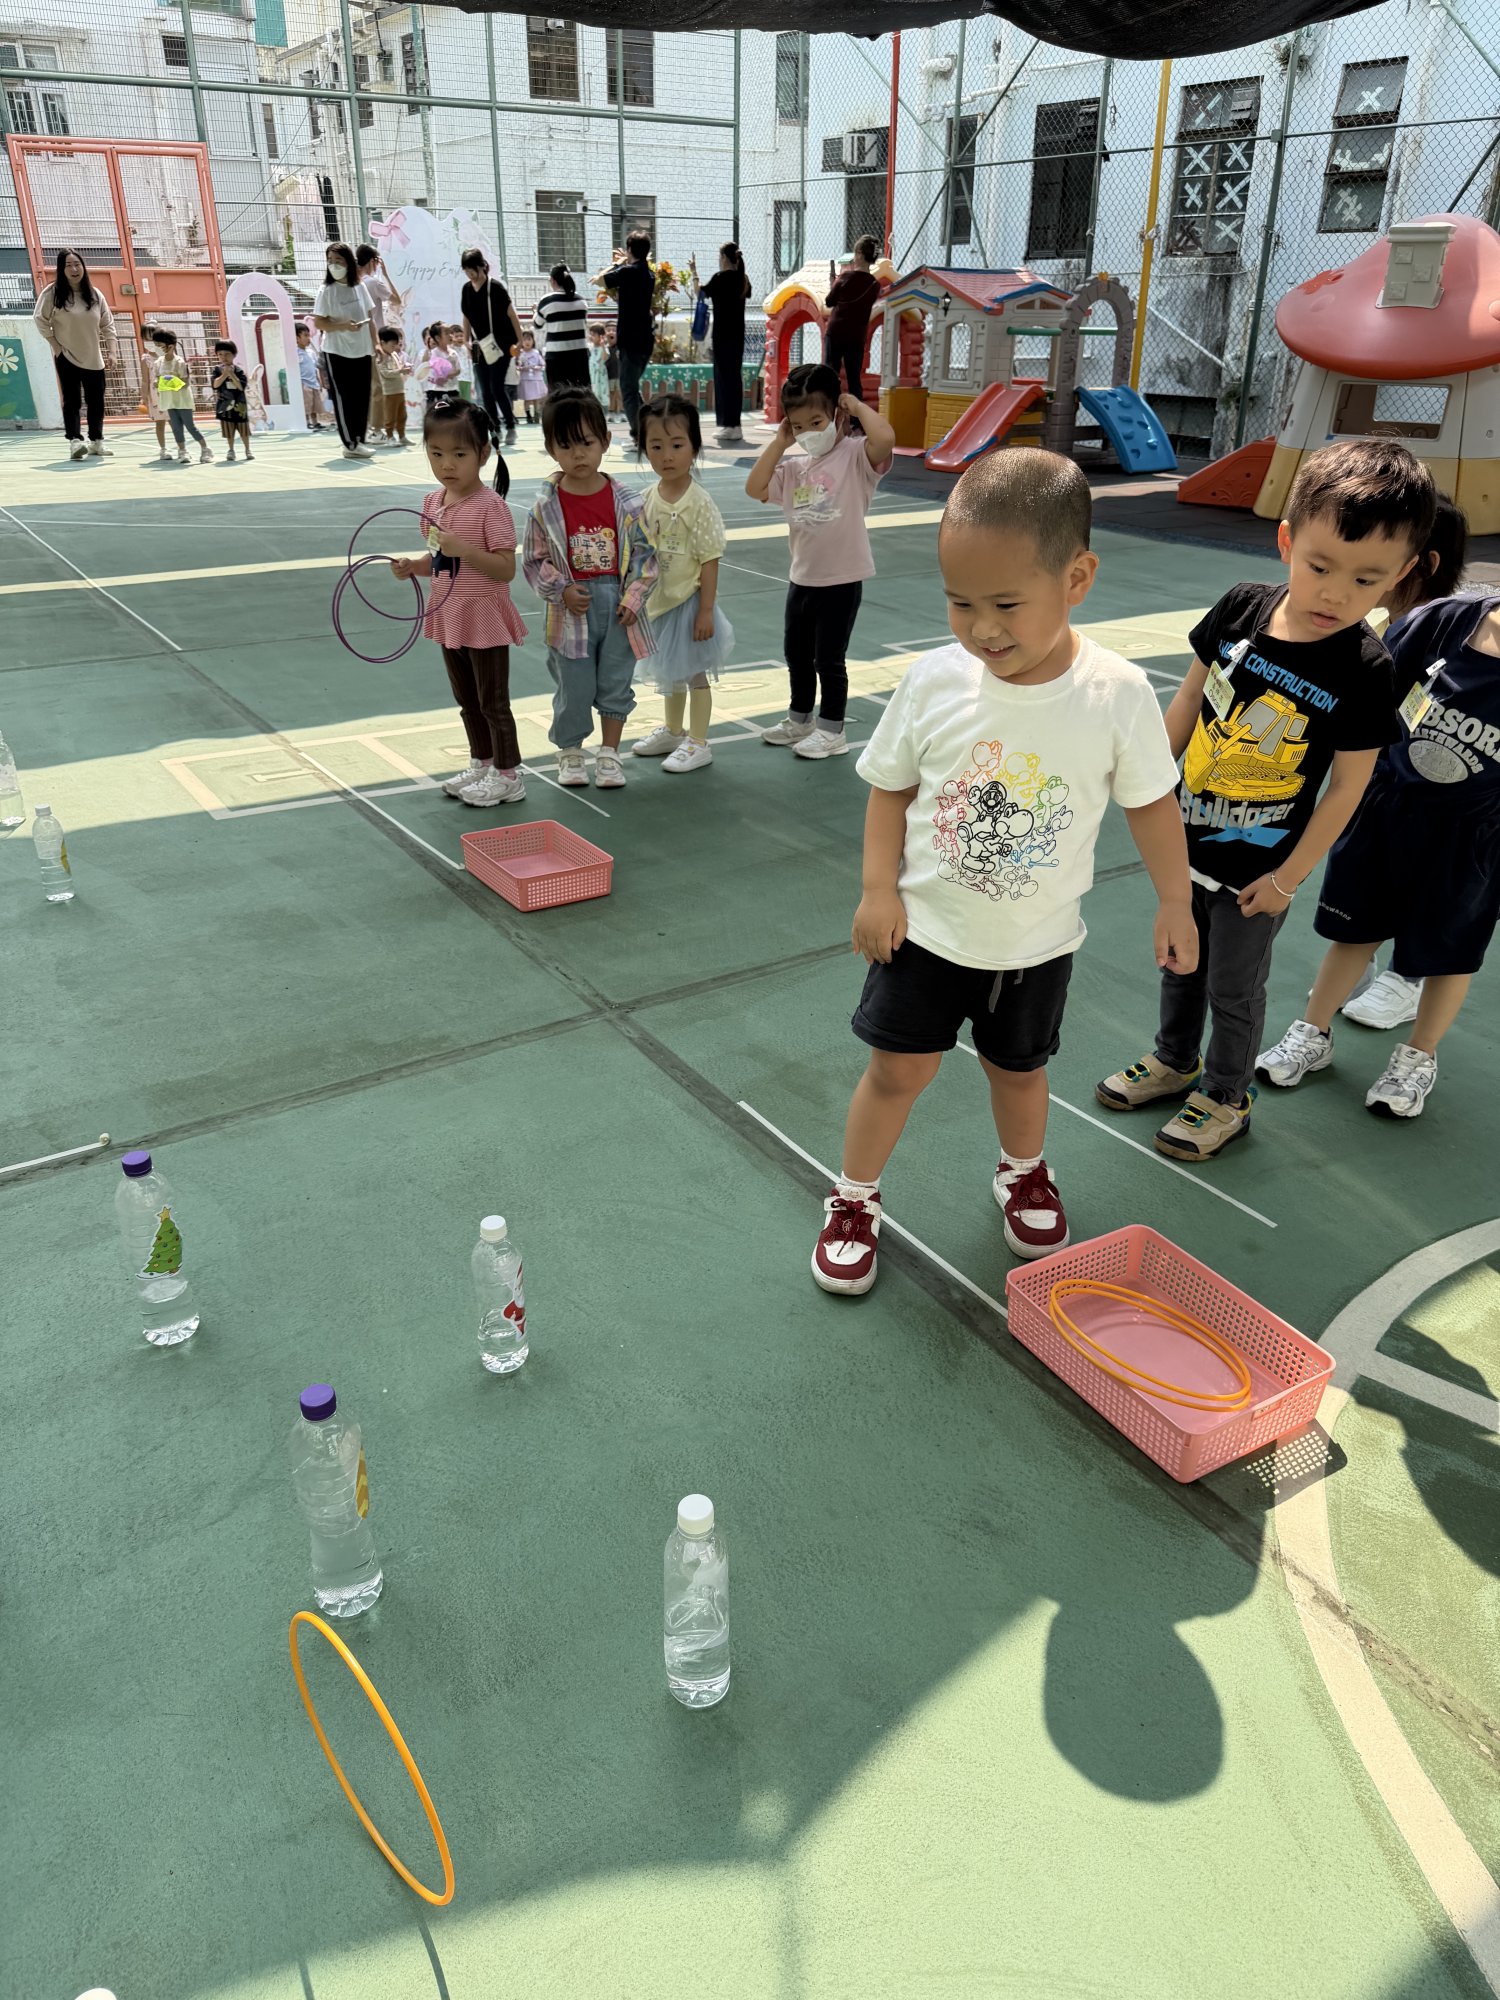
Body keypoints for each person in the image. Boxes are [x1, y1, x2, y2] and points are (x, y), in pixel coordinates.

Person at [810, 450, 1195, 1292]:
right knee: (897, 1071)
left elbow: (1152, 802)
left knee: (1019, 1071)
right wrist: (877, 889)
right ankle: (854, 1196)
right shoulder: (933, 682)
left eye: (1006, 604)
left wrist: (1176, 899)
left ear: (1077, 578)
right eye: (960, 602)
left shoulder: (1117, 692)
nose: (981, 628)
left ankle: (1022, 1170)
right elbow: (889, 789)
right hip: (926, 933)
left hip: (1036, 943)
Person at [1096, 437, 1437, 1161]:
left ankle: (1226, 1097)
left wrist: (1287, 879)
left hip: (1258, 873)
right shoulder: (1241, 609)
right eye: (1320, 566)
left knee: (1233, 986)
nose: (1336, 593)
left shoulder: (1366, 669)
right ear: (1287, 542)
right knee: (1179, 961)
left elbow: (1348, 787)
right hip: (1185, 842)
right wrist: (1145, 784)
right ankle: (1174, 1060)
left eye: (1366, 579)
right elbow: (1190, 700)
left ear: (1402, 574)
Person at [1253, 503, 1493, 1121]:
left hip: (1472, 839)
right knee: (1353, 932)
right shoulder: (1444, 622)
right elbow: (1372, 697)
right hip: (1388, 812)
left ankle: (1417, 1057)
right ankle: (1312, 1033)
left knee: (1447, 954)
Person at [1333, 494, 1469, 1032]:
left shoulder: (1455, 637)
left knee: (1430, 889)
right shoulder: (1385, 626)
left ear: (1422, 564)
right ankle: (1360, 959)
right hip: (1383, 791)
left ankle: (1408, 976)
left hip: (1443, 804)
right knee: (1366, 876)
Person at [745, 360, 896, 761]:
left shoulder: (856, 456)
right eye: (798, 426)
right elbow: (755, 487)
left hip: (841, 579)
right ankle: (800, 719)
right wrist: (780, 443)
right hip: (802, 577)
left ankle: (832, 730)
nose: (808, 433)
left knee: (829, 659)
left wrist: (857, 406)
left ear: (837, 415)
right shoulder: (794, 468)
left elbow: (885, 438)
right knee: (797, 655)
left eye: (816, 422)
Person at [389, 399, 529, 811]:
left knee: (492, 702)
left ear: (483, 454)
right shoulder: (432, 504)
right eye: (436, 454)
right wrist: (414, 567)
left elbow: (505, 569)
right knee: (467, 700)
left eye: (459, 454)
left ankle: (508, 775)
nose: (447, 465)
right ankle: (482, 762)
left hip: (484, 615)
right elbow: (440, 560)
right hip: (450, 614)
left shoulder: (491, 507)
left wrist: (463, 548)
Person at [521, 388, 658, 791]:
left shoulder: (628, 502)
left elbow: (647, 557)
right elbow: (533, 559)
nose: (577, 454)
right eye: (565, 446)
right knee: (573, 684)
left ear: (605, 441)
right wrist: (561, 589)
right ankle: (570, 751)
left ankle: (610, 754)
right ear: (551, 449)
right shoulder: (544, 507)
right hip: (570, 611)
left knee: (616, 681)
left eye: (586, 443)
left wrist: (634, 597)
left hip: (618, 607)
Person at [630, 395, 734, 775]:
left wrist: (706, 610)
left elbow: (710, 559)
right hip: (659, 603)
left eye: (677, 445)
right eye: (656, 446)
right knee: (669, 671)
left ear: (694, 447)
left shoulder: (699, 503)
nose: (667, 456)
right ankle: (674, 731)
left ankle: (699, 741)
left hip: (690, 604)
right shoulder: (646, 499)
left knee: (694, 673)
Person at [33, 248, 117, 460]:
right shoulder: (52, 293)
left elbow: (108, 324)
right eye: (68, 265)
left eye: (77, 264)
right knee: (72, 401)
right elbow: (40, 319)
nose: (74, 269)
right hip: (67, 356)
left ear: (83, 267)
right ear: (61, 270)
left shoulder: (95, 294)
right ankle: (75, 442)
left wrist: (112, 352)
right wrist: (56, 346)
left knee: (96, 402)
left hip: (94, 358)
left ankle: (96, 442)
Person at [312, 241, 377, 459]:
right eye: (330, 261)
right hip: (337, 352)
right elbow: (319, 322)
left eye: (338, 260)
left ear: (348, 262)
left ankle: (359, 439)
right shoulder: (326, 291)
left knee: (362, 397)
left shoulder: (359, 287)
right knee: (345, 399)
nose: (334, 265)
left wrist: (375, 344)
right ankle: (350, 443)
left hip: (362, 350)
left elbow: (370, 317)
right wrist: (343, 325)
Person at [690, 241, 751, 446]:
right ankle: (735, 425)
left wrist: (694, 272)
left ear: (724, 257)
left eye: (719, 256)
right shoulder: (743, 279)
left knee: (723, 379)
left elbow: (700, 293)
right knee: (734, 379)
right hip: (738, 336)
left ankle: (729, 425)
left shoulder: (720, 278)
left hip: (723, 336)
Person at [597, 230, 655, 442]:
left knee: (628, 390)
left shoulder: (628, 271)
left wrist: (617, 263)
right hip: (645, 339)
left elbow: (600, 281)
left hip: (630, 340)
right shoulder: (650, 274)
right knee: (632, 387)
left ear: (629, 249)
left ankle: (639, 437)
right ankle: (645, 430)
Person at [459, 248, 520, 446]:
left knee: (496, 387)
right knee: (484, 390)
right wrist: (466, 341)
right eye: (466, 271)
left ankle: (510, 426)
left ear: (481, 266)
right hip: (477, 346)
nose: (470, 274)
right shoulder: (466, 290)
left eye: (472, 270)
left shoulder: (496, 288)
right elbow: (466, 317)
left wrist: (519, 341)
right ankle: (495, 429)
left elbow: (512, 315)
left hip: (500, 344)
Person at [824, 235, 882, 407]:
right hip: (856, 337)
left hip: (836, 333)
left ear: (860, 254)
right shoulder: (875, 285)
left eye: (856, 253)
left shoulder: (845, 277)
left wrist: (833, 284)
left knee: (830, 375)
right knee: (854, 379)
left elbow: (829, 301)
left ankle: (830, 412)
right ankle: (857, 418)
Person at [150, 329, 212, 464]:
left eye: (160, 345)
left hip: (182, 400)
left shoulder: (179, 362)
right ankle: (183, 451)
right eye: (156, 345)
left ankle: (205, 449)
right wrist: (158, 383)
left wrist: (163, 382)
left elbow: (184, 383)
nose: (158, 348)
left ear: (170, 346)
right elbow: (157, 378)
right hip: (169, 400)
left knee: (190, 426)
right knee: (176, 428)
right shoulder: (158, 362)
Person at [533, 265, 591, 391]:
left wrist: (535, 311)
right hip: (580, 356)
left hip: (556, 357)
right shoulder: (582, 301)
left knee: (558, 394)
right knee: (581, 393)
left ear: (552, 280)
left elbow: (537, 324)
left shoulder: (547, 301)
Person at [211, 339, 252, 462]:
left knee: (243, 429)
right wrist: (224, 375)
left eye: (227, 354)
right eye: (220, 354)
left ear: (234, 354)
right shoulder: (217, 370)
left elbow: (241, 386)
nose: (224, 357)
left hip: (239, 406)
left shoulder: (239, 370)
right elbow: (215, 385)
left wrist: (232, 374)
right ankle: (231, 450)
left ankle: (247, 449)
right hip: (225, 406)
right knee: (229, 430)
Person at [374, 327, 411, 445]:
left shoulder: (394, 354)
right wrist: (400, 371)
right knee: (390, 416)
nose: (395, 347)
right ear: (382, 343)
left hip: (399, 390)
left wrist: (404, 368)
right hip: (388, 392)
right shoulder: (380, 357)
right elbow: (385, 373)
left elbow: (398, 367)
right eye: (392, 345)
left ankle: (402, 436)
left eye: (396, 344)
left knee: (402, 415)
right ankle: (390, 437)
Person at [355, 244, 403, 334]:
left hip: (360, 333)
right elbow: (397, 301)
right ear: (372, 261)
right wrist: (386, 275)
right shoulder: (374, 283)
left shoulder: (353, 282)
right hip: (376, 332)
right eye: (377, 262)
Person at [140, 324, 172, 461]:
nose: (149, 342)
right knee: (160, 423)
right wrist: (144, 398)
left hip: (170, 394)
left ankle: (182, 448)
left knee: (174, 422)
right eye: (146, 339)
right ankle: (163, 449)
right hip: (155, 396)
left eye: (152, 339)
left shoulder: (169, 356)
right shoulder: (146, 359)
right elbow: (145, 380)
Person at [295, 324, 327, 430]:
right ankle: (306, 422)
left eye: (309, 335)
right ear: (297, 338)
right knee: (306, 404)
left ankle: (315, 422)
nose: (309, 338)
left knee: (315, 404)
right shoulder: (295, 353)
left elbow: (314, 368)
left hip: (313, 382)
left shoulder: (311, 352)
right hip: (304, 383)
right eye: (305, 335)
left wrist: (319, 381)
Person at [418, 322, 459, 407]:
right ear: (437, 338)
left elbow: (458, 370)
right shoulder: (432, 353)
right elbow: (425, 365)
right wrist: (428, 347)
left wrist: (448, 375)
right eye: (446, 333)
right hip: (436, 390)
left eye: (450, 332)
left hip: (452, 389)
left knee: (453, 411)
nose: (450, 335)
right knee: (437, 412)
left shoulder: (453, 353)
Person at [516, 332, 546, 423]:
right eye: (524, 339)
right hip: (525, 379)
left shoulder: (536, 352)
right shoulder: (520, 353)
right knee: (527, 399)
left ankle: (537, 415)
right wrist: (521, 368)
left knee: (536, 398)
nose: (527, 342)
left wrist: (536, 367)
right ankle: (528, 416)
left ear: (533, 341)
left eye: (529, 339)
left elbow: (542, 364)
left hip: (536, 379)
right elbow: (517, 366)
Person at [588, 325, 610, 406]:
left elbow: (605, 358)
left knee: (601, 393)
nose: (591, 337)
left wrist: (603, 346)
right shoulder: (590, 347)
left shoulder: (604, 348)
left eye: (593, 335)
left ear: (600, 336)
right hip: (592, 375)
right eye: (590, 334)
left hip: (600, 376)